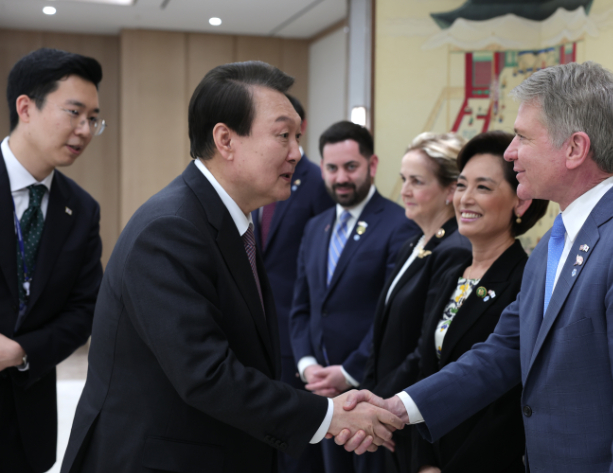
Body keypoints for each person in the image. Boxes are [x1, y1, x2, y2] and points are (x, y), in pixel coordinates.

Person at [343, 61, 613, 472]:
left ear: (574, 148)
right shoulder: (556, 242)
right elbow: (502, 352)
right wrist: (397, 407)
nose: (510, 152)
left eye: (522, 137)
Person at [60, 61, 403, 473]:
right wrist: (328, 415)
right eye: (283, 136)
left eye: (298, 137)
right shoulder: (171, 229)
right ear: (225, 139)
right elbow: (206, 373)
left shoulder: (230, 220)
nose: (297, 153)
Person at [411, 131, 547, 473]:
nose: (465, 199)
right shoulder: (451, 273)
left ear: (521, 202)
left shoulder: (526, 280)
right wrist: (425, 461)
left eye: (483, 187)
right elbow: (426, 370)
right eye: (461, 185)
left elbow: (509, 401)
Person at [289, 120, 419, 473]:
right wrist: (308, 367)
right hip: (320, 399)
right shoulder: (315, 227)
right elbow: (302, 308)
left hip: (371, 397)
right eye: (331, 168)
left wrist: (348, 373)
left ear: (372, 165)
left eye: (351, 167)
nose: (341, 178)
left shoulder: (399, 225)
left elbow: (394, 318)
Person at [0, 48, 104, 473]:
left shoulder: (80, 209)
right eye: (74, 112)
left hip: (29, 420)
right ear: (26, 107)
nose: (85, 130)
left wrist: (22, 350)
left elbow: (85, 310)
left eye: (93, 119)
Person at [360, 132, 470, 473]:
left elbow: (425, 348)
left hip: (413, 416)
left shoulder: (454, 250)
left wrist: (384, 404)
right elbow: (384, 336)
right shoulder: (414, 244)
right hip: (390, 413)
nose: (404, 190)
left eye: (417, 182)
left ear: (451, 191)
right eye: (403, 179)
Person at [251, 94, 334, 473]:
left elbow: (321, 260)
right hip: (254, 319)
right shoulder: (253, 175)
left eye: (293, 133)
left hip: (292, 327)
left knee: (295, 437)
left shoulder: (314, 179)